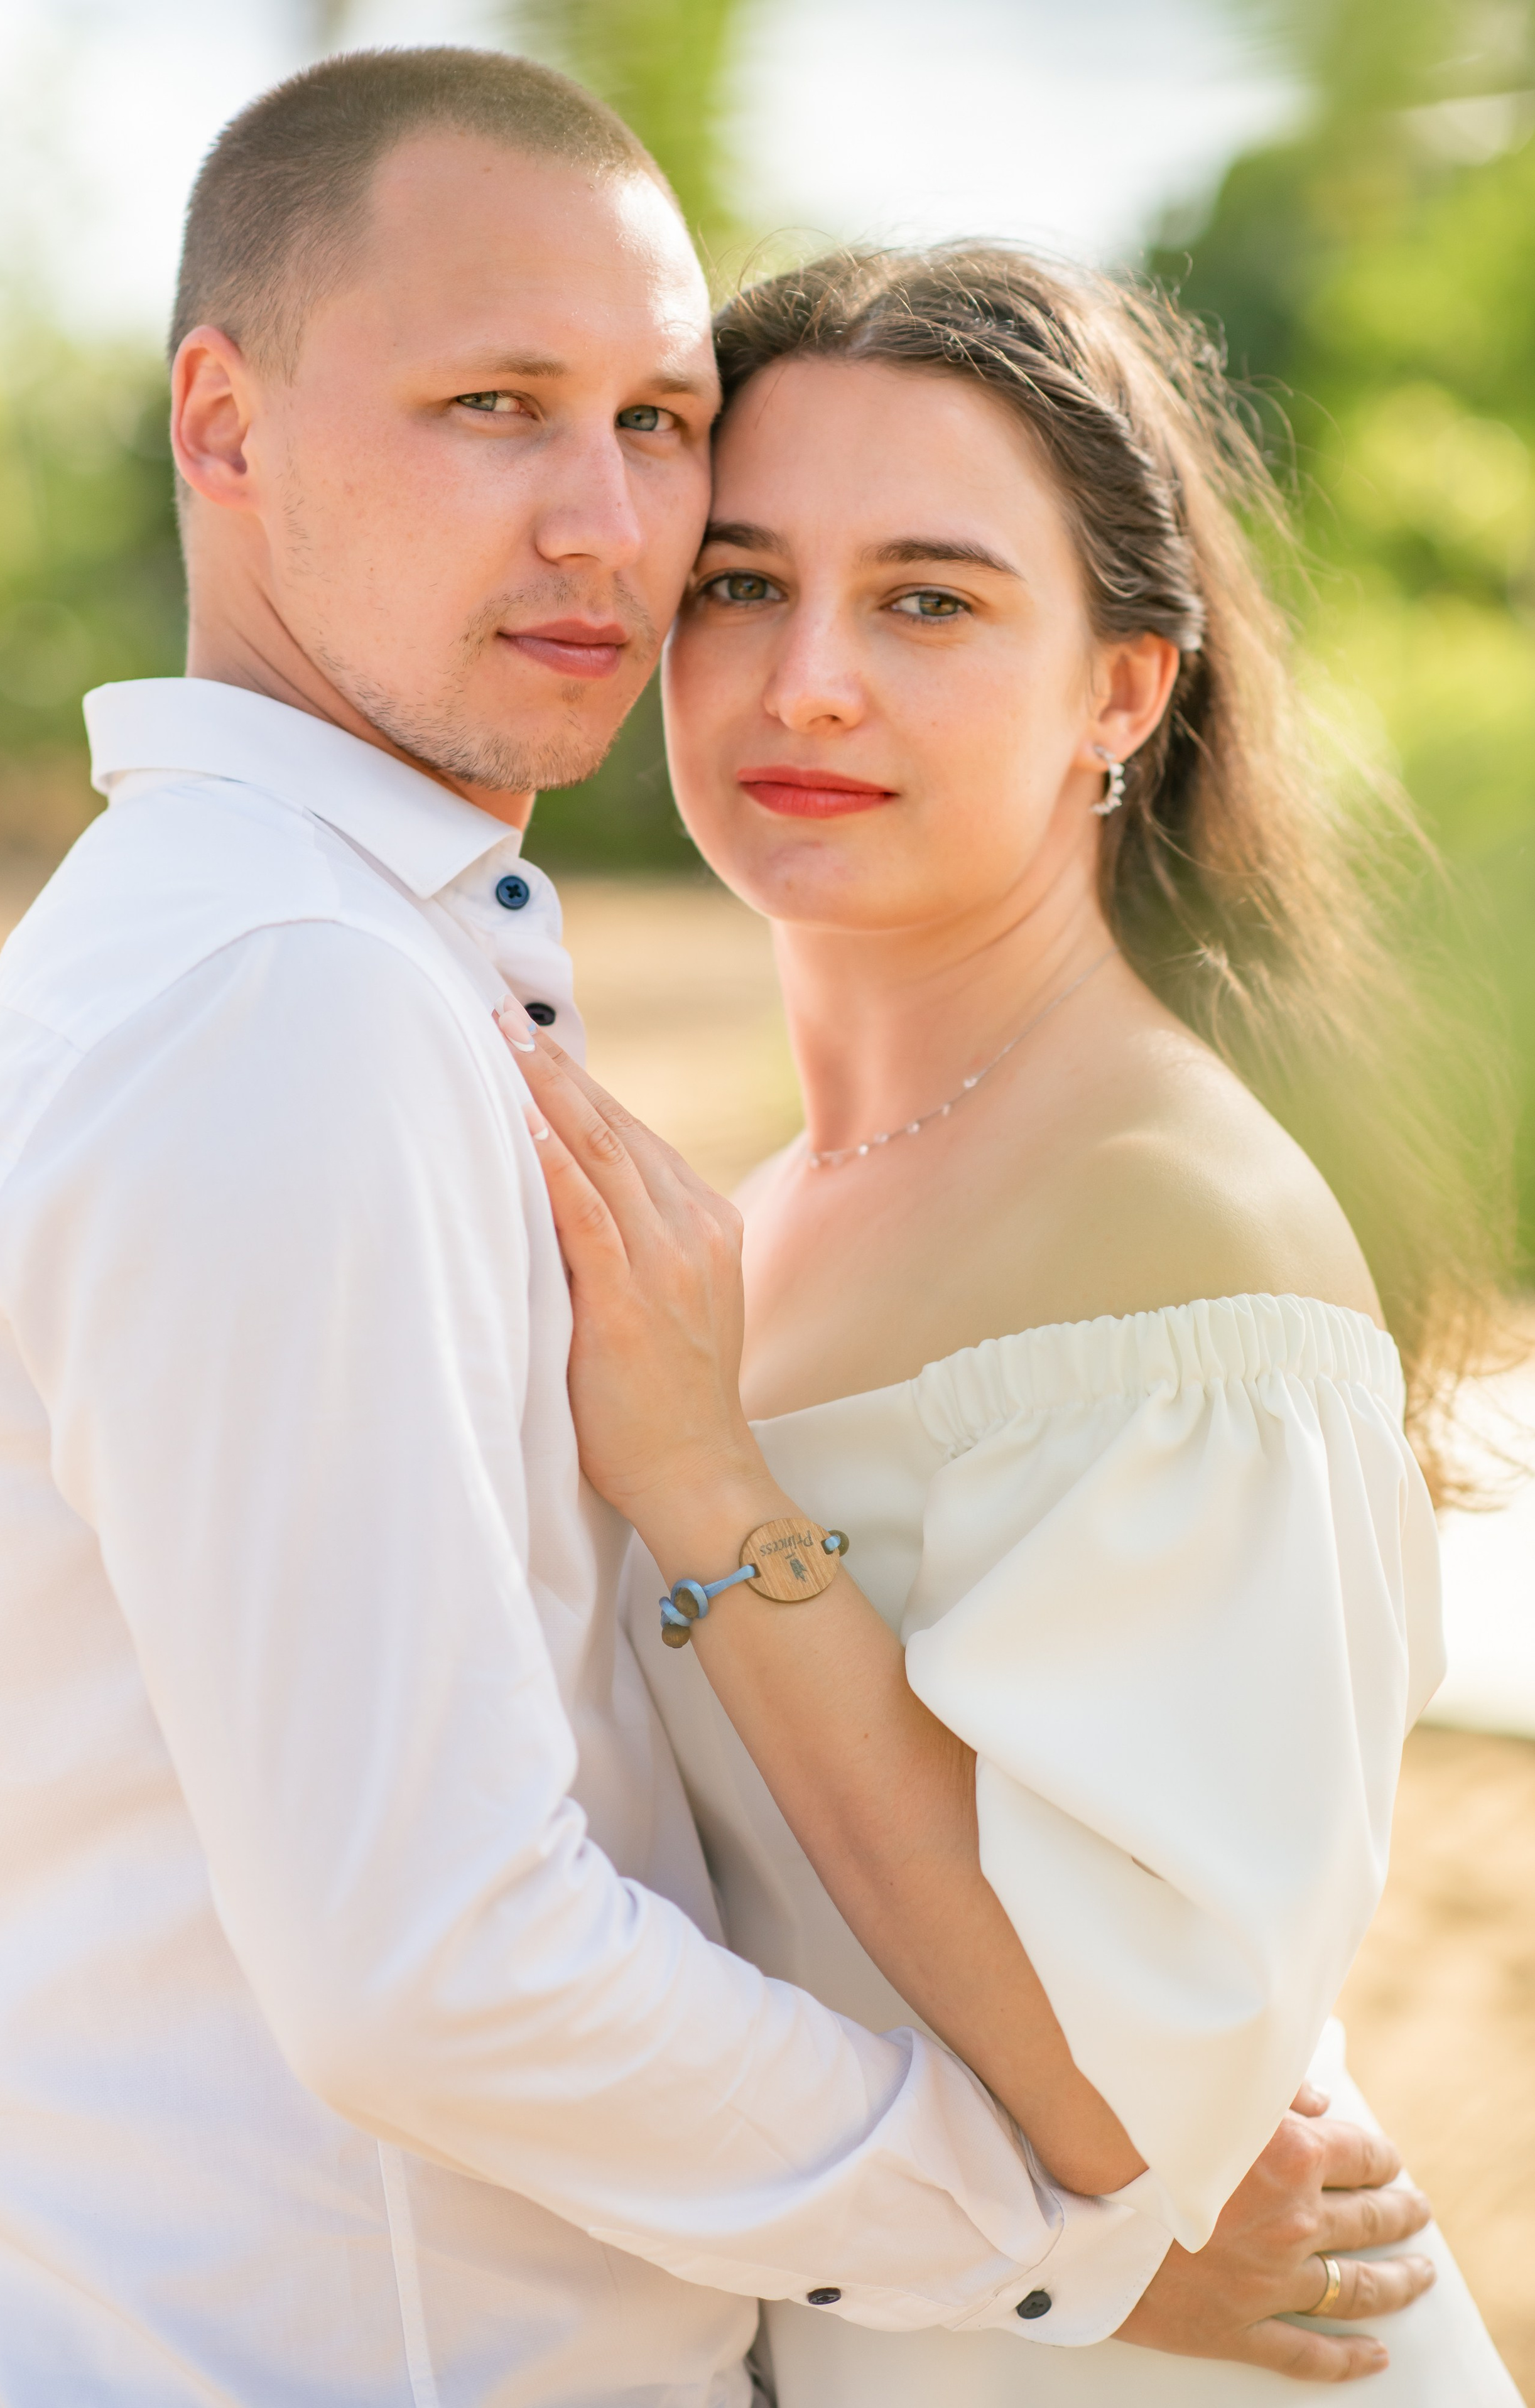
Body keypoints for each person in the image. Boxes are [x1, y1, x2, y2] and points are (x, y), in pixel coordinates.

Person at [0, 51, 1433, 2403]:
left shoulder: (417, 1001)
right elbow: (439, 1950)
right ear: (221, 422)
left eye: (651, 427)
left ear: (1119, 690)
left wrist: (1080, 2240)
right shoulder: (294, 997)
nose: (605, 528)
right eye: (493, 405)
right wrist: (1060, 2242)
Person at [507, 244, 1521, 2402]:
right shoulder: (767, 1209)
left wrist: (698, 1478)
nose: (808, 684)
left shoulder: (1171, 1219)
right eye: (742, 585)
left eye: (931, 598)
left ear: (1123, 692)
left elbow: (1127, 2102)